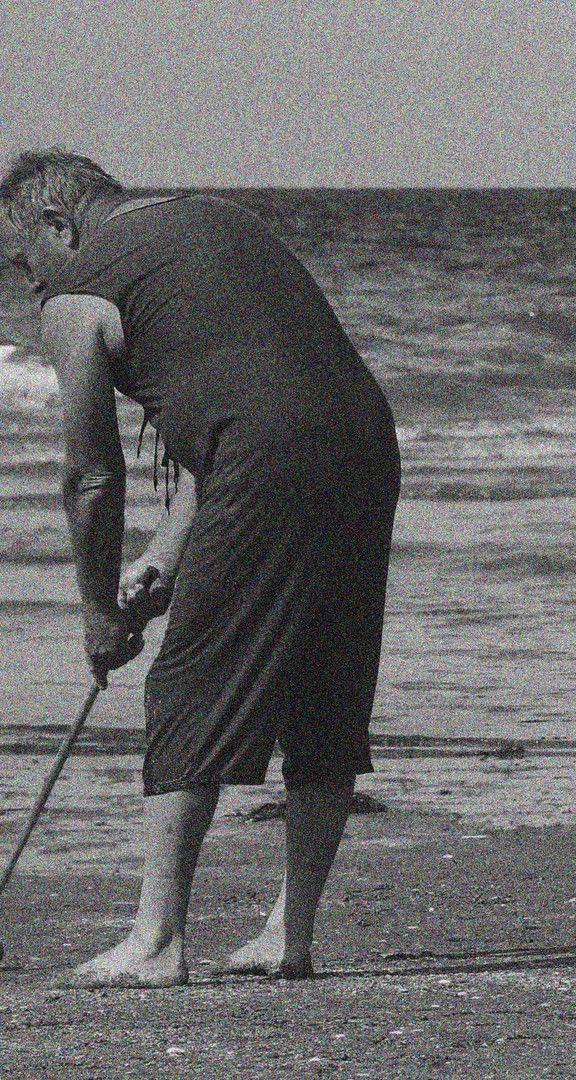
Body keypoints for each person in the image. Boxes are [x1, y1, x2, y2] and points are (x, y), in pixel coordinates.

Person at [1, 149, 400, 985]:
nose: (25, 282)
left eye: (21, 259)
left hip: (269, 454)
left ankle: (156, 942)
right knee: (323, 685)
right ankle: (288, 938)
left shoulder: (79, 292)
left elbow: (92, 476)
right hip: (363, 439)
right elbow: (241, 391)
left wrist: (99, 615)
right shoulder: (219, 219)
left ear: (55, 226)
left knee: (190, 681)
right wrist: (165, 555)